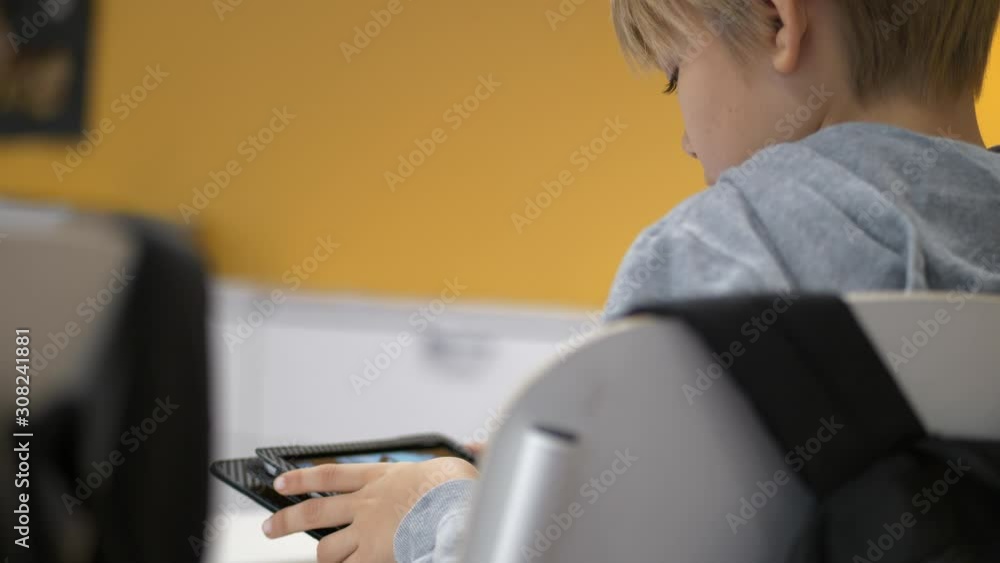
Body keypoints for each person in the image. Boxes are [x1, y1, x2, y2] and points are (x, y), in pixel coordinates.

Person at [259, 0, 1000, 561]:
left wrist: (439, 512)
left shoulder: (724, 246)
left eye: (674, 71)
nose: (682, 136)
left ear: (780, 21)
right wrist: (567, 472)